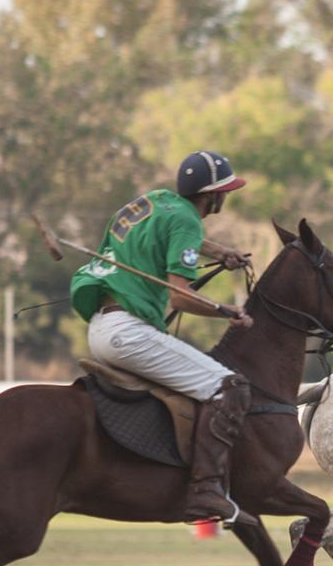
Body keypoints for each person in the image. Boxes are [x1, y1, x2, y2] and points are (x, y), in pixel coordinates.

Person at [70, 151, 256, 523]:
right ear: (212, 195)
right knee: (229, 386)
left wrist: (218, 251)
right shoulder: (188, 221)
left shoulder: (159, 201)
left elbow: (174, 232)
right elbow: (180, 296)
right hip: (130, 332)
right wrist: (226, 312)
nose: (226, 197)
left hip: (103, 325)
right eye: (225, 191)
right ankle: (206, 490)